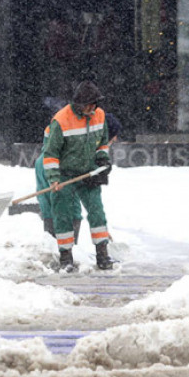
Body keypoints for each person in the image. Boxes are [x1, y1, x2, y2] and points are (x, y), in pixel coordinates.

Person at [42, 80, 113, 272]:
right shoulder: (61, 120)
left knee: (97, 212)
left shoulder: (100, 116)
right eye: (89, 104)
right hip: (65, 174)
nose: (93, 108)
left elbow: (102, 143)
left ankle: (102, 254)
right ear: (79, 104)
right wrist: (54, 178)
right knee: (62, 214)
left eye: (95, 104)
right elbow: (50, 154)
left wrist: (102, 162)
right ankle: (66, 256)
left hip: (88, 172)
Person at [35, 111, 122, 240]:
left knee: (51, 206)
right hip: (57, 166)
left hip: (45, 163)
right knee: (68, 210)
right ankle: (63, 249)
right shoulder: (82, 146)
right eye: (112, 136)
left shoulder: (78, 134)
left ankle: (53, 245)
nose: (115, 140)